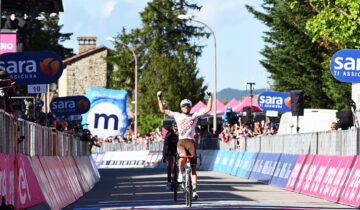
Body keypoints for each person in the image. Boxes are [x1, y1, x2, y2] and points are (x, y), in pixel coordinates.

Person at [157, 90, 212, 200]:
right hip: (181, 141)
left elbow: (208, 109)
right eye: (184, 106)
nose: (186, 107)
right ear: (181, 107)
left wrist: (210, 96)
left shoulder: (195, 115)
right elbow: (162, 110)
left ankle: (194, 191)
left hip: (191, 142)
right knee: (181, 158)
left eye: (188, 106)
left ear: (190, 107)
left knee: (193, 168)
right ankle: (180, 175)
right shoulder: (177, 115)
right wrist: (159, 98)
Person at [163, 122, 179, 190]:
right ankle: (169, 181)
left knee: (179, 164)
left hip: (178, 148)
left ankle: (179, 179)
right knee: (170, 163)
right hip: (170, 149)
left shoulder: (182, 133)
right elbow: (165, 146)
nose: (176, 130)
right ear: (172, 128)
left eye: (177, 128)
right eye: (175, 128)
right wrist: (165, 156)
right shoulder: (169, 134)